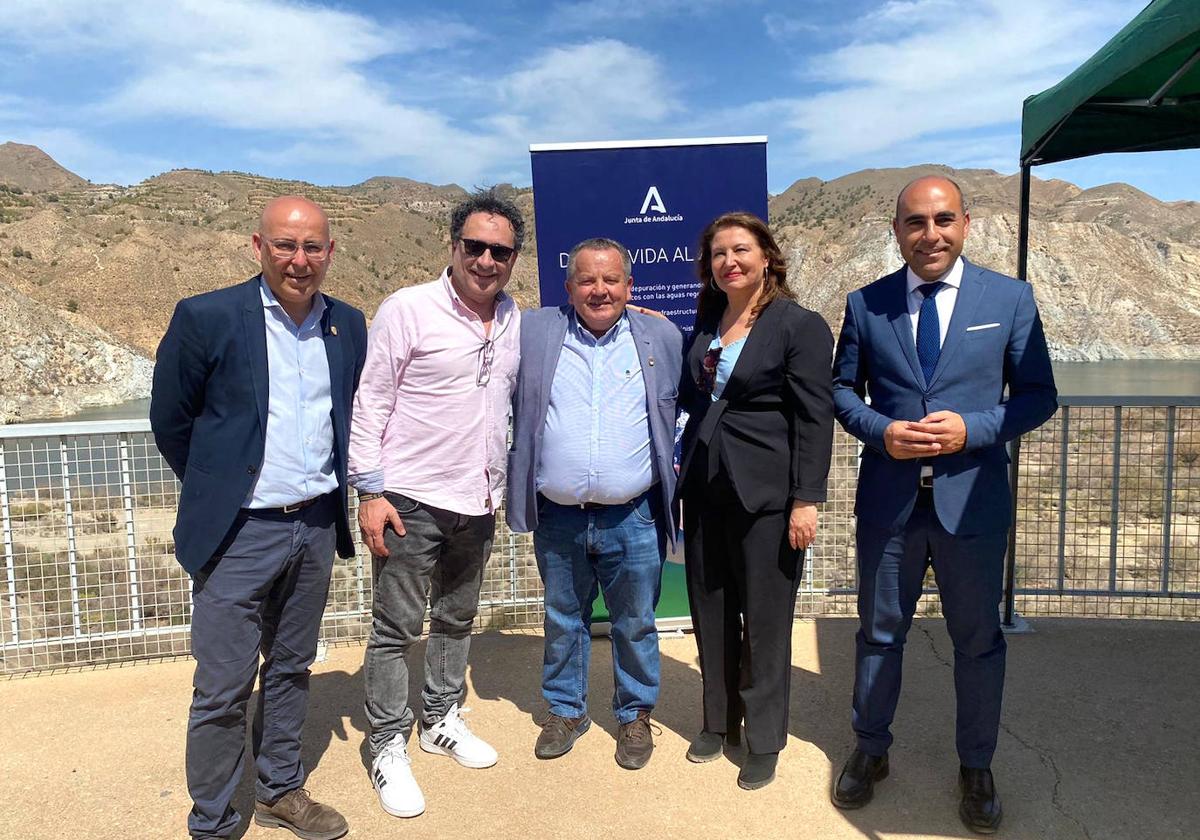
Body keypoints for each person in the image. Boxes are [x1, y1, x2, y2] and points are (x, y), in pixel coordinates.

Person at [830, 175, 1057, 833]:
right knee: (879, 634)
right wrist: (881, 431)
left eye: (943, 220)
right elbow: (841, 392)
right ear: (896, 230)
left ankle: (976, 766)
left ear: (965, 224)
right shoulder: (866, 304)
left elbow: (1039, 395)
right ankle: (871, 749)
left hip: (972, 507)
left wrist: (972, 429)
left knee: (978, 641)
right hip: (890, 507)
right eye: (915, 222)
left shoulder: (1009, 299)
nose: (930, 234)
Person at [151, 195, 367, 840]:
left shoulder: (347, 324)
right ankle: (213, 821)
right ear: (258, 247)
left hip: (316, 525)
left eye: (312, 247)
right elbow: (172, 420)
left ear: (330, 252)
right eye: (285, 245)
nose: (299, 260)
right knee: (222, 687)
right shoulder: (207, 317)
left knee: (292, 667)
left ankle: (279, 791)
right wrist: (220, 490)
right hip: (239, 533)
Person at [347, 188, 525, 819]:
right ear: (453, 246)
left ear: (513, 258)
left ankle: (441, 717)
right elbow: (371, 399)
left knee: (455, 618)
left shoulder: (515, 320)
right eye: (474, 246)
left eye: (499, 251)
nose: (485, 260)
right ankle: (386, 742)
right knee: (395, 628)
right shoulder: (408, 309)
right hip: (409, 499)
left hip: (477, 500)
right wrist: (370, 492)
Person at [507, 237, 682, 770]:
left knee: (636, 621)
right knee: (563, 618)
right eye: (587, 280)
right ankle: (566, 711)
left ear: (630, 286)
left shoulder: (662, 336)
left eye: (611, 280)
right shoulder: (535, 331)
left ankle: (635, 714)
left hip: (633, 515)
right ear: (568, 287)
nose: (599, 290)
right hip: (558, 515)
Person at [676, 212, 834, 790]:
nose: (729, 262)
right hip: (706, 489)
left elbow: (815, 418)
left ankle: (765, 738)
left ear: (767, 256)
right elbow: (695, 394)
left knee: (765, 622)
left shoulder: (799, 325)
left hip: (768, 497)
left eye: (740, 250)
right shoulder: (707, 319)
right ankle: (719, 722)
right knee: (711, 609)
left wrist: (805, 499)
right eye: (719, 254)